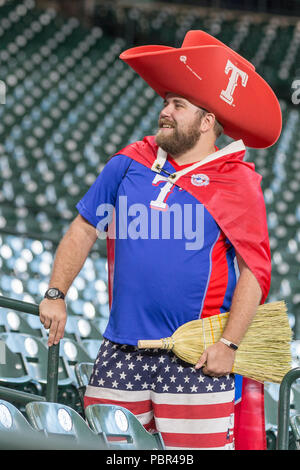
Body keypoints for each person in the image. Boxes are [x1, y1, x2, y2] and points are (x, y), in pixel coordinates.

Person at [39, 30, 282, 450]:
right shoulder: (128, 162)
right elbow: (83, 228)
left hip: (197, 359)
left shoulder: (238, 183)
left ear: (208, 123)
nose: (164, 112)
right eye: (166, 102)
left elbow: (255, 272)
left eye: (178, 105)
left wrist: (229, 345)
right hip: (121, 350)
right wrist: (56, 292)